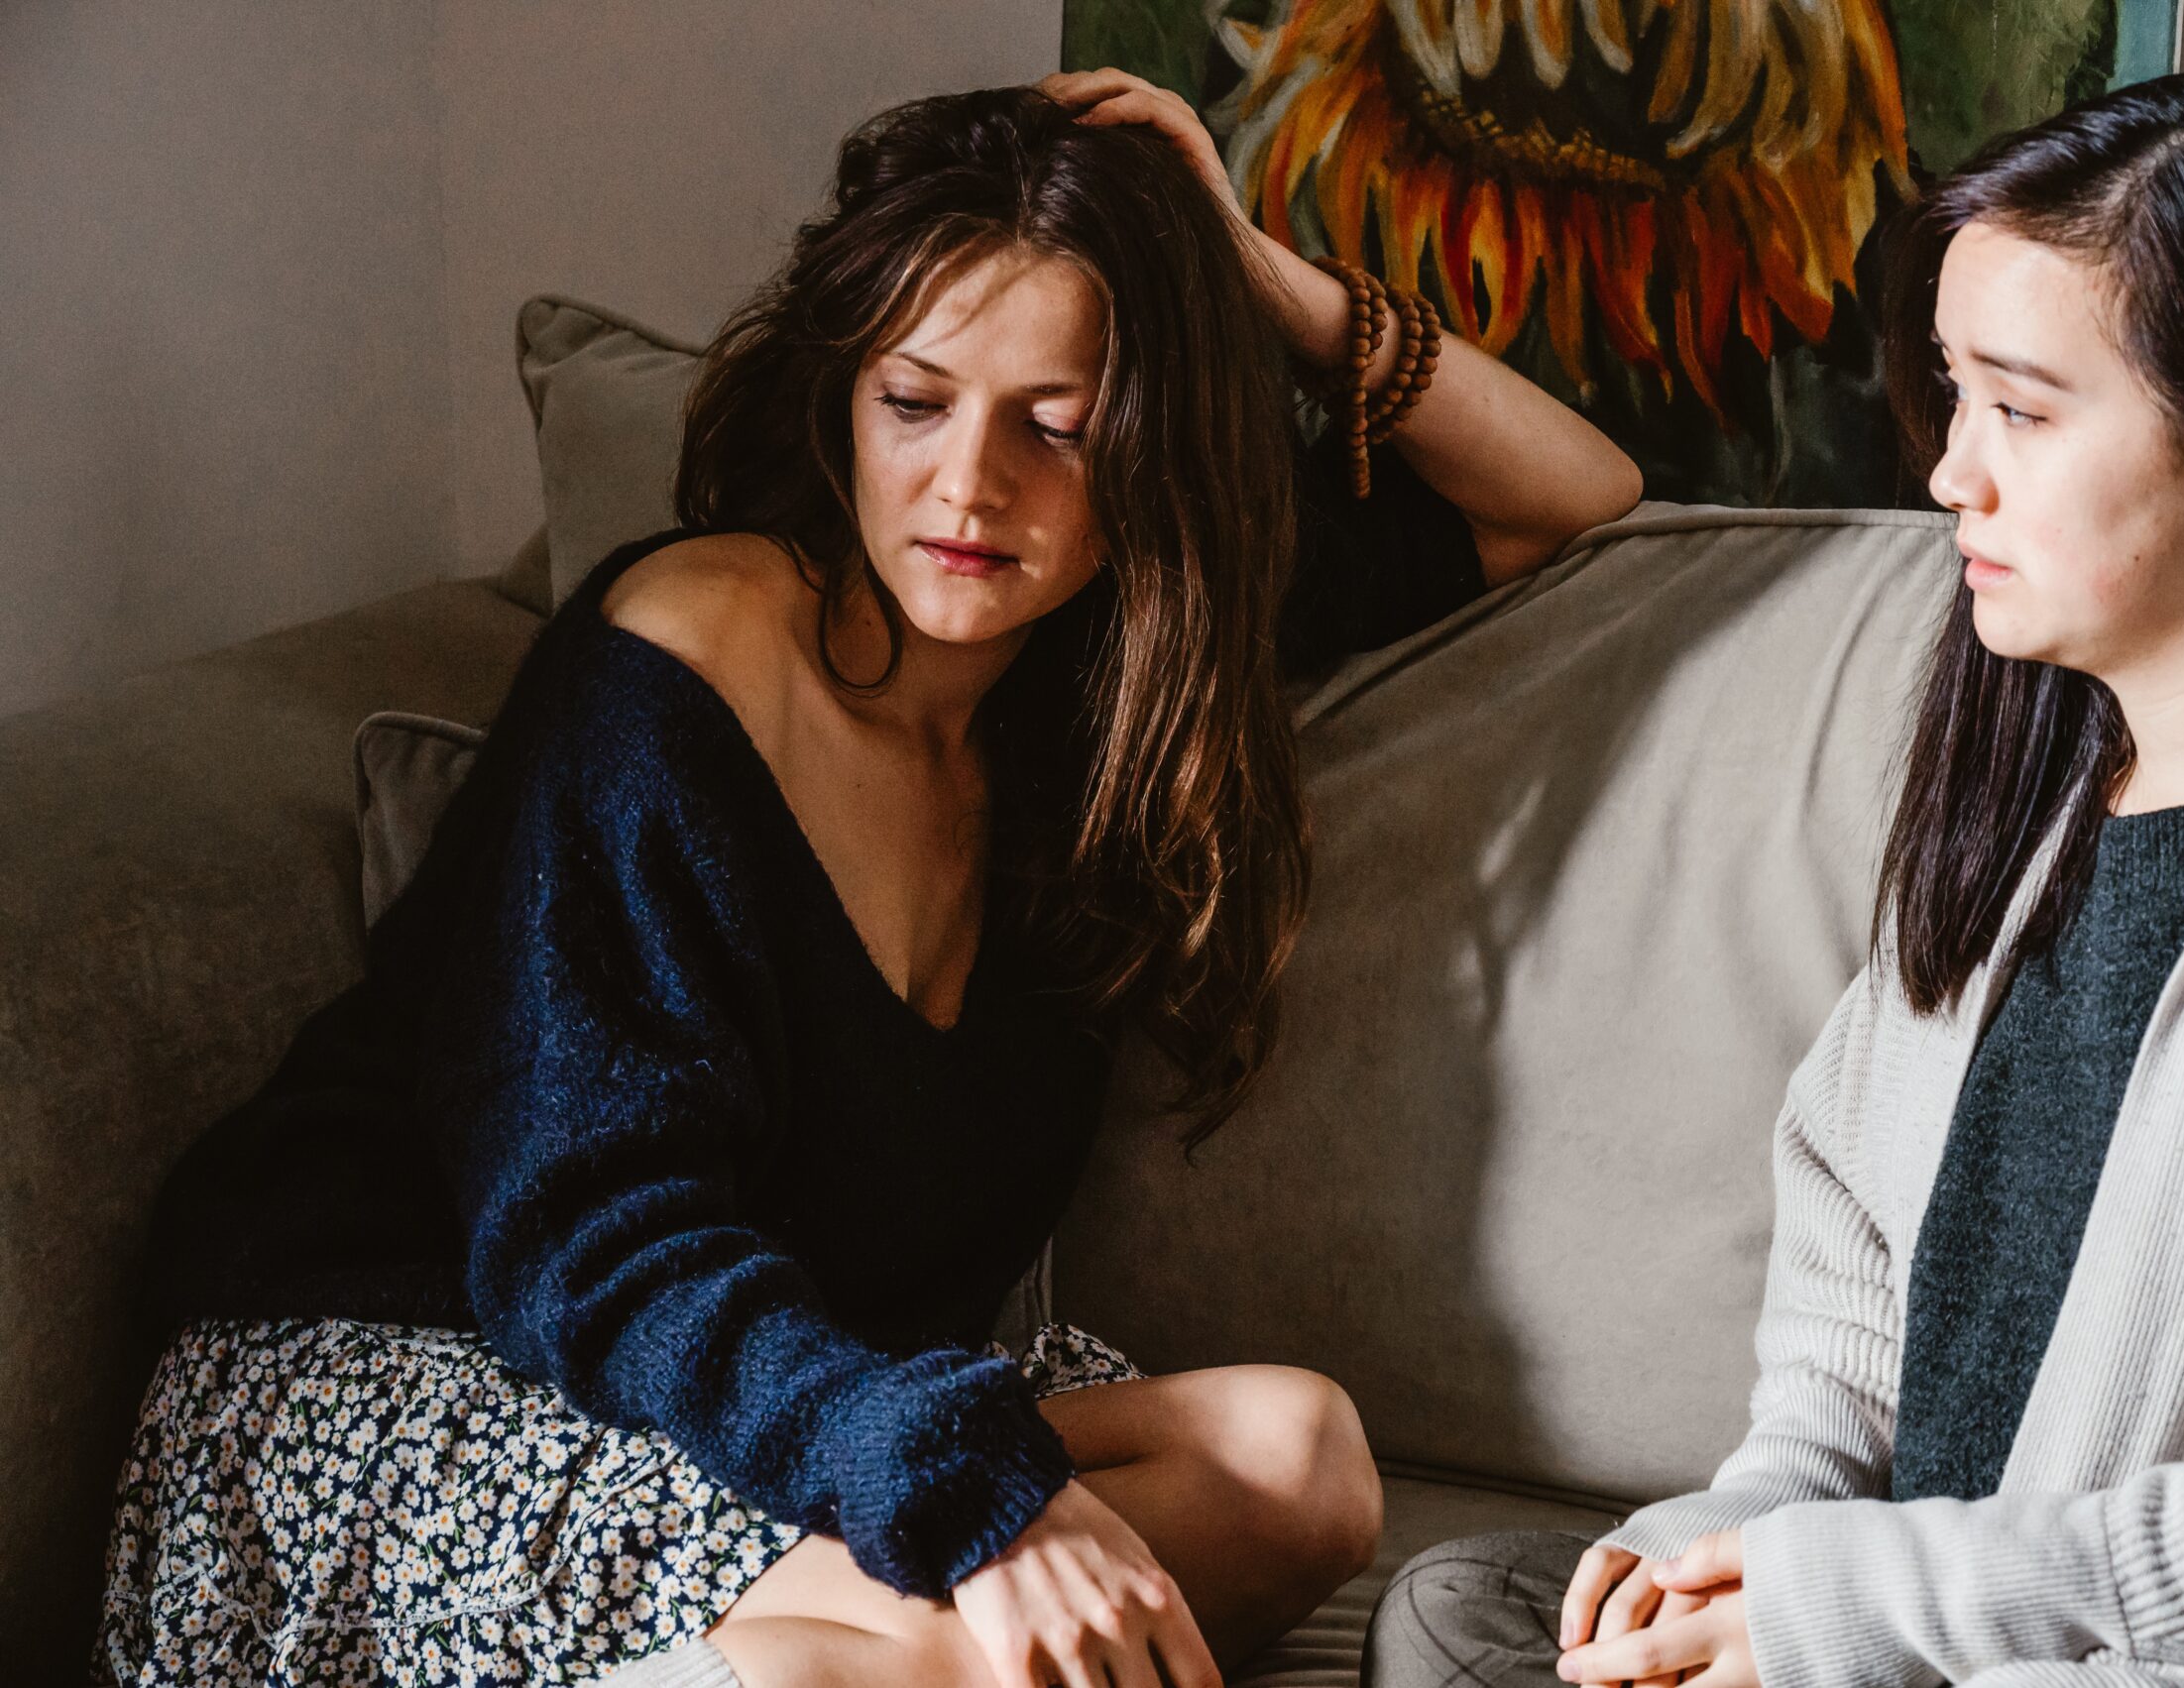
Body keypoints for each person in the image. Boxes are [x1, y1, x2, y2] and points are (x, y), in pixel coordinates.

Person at [93, 73, 1642, 1688]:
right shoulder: (692, 651)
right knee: (903, 1655)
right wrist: (971, 1496)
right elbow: (585, 1242)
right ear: (845, 397)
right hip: (433, 1366)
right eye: (916, 402)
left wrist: (1243, 262)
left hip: (812, 1386)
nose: (971, 488)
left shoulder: (1109, 685)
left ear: (1150, 446)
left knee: (1298, 1459)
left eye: (1056, 425)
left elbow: (1568, 493)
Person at [1365, 71, 2184, 1688]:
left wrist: (1861, 1605)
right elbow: (1843, 1363)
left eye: (2024, 410)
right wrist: (1734, 1559)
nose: (1951, 476)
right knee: (1471, 1613)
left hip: (2114, 1656)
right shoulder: (2031, 784)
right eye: (1951, 395)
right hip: (1908, 1631)